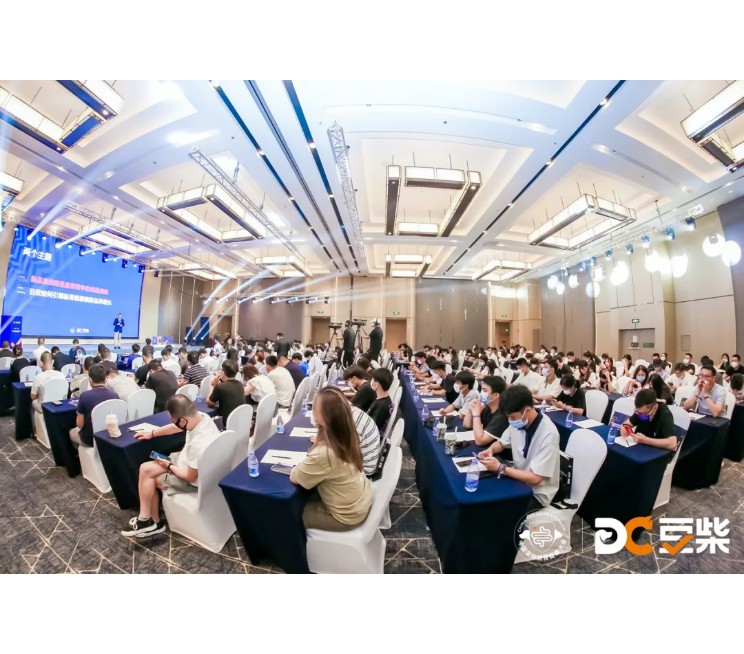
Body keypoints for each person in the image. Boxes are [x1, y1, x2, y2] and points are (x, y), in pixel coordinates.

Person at [121, 395, 222, 537]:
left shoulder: (198, 444)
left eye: (173, 420)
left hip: (193, 479)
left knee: (150, 478)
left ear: (183, 420)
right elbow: (177, 427)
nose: (172, 423)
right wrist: (152, 433)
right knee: (145, 468)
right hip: (188, 462)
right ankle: (151, 521)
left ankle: (149, 521)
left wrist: (168, 466)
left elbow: (189, 477)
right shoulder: (201, 417)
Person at [289, 387, 372, 531]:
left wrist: (311, 456)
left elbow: (295, 477)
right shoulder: (349, 434)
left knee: (286, 513)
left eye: (315, 408)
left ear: (324, 416)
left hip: (345, 516)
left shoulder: (324, 453)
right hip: (359, 501)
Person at [478, 384, 560, 511]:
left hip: (535, 493)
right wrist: (491, 450)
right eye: (508, 417)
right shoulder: (518, 422)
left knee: (497, 510)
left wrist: (500, 468)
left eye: (512, 417)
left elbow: (535, 478)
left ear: (527, 410)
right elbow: (502, 443)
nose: (510, 421)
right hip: (517, 480)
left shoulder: (548, 434)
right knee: (484, 495)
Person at [69, 363, 119, 447]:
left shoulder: (84, 396)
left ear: (90, 380)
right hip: (109, 435)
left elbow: (79, 424)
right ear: (106, 379)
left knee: (71, 432)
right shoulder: (114, 395)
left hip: (90, 440)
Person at [463, 375, 509, 446]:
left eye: (485, 391)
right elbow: (467, 425)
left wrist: (476, 414)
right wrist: (471, 408)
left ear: (496, 395)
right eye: (481, 390)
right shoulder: (487, 407)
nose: (481, 394)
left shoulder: (502, 416)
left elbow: (480, 441)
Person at [207, 359, 245, 426]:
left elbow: (209, 403)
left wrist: (213, 386)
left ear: (223, 373)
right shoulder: (240, 384)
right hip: (239, 419)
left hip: (225, 422)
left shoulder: (220, 386)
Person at [367, 367, 393, 433]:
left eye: (373, 379)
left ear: (376, 384)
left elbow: (371, 429)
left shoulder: (382, 406)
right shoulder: (384, 399)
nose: (371, 381)